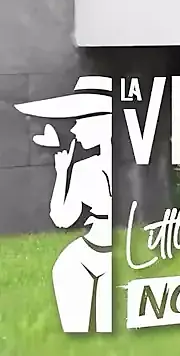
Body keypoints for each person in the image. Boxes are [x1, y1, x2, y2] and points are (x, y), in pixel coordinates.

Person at [17, 76, 116, 333]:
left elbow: (64, 217)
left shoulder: (104, 168)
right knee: (81, 322)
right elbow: (62, 218)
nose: (73, 130)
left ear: (102, 121)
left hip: (115, 254)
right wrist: (62, 173)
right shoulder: (84, 168)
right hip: (89, 252)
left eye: (79, 120)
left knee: (108, 323)